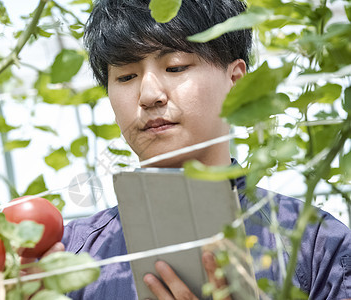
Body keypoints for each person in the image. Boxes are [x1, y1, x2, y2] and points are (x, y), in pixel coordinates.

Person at [54, 0, 351, 299]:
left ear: (235, 79)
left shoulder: (317, 244)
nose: (149, 95)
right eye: (126, 77)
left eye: (175, 67)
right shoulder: (68, 258)